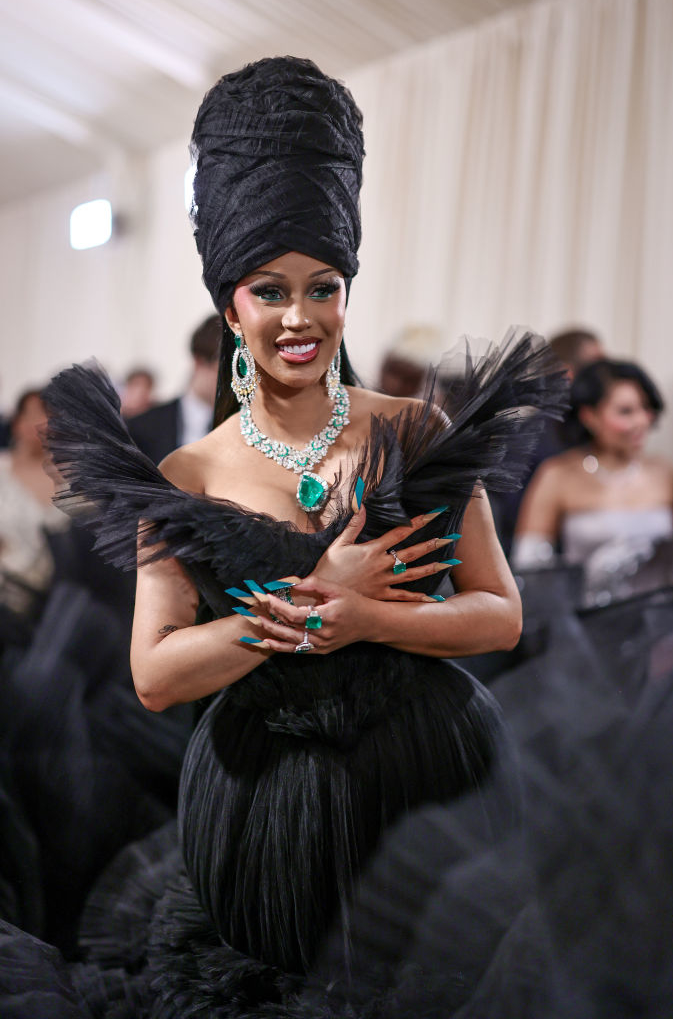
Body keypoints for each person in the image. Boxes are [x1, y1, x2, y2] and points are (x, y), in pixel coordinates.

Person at [0, 57, 566, 1015]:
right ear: (231, 308)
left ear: (347, 292)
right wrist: (308, 615)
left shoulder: (414, 429)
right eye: (270, 291)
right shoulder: (188, 474)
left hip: (430, 789)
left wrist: (362, 616)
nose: (300, 317)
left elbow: (499, 616)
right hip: (267, 808)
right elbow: (156, 672)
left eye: (324, 286)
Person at [513, 358, 673, 605]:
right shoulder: (558, 474)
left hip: (663, 623)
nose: (641, 421)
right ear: (589, 416)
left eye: (645, 408)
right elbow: (529, 565)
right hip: (588, 622)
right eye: (626, 411)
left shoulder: (664, 473)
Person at [491, 327, 606, 554]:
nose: (605, 378)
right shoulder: (532, 437)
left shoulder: (585, 431)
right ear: (567, 372)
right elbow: (513, 524)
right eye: (596, 368)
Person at [0, 388, 68, 628]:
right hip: (7, 596)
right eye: (33, 415)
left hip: (55, 603)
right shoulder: (3, 470)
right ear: (17, 422)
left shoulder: (72, 478)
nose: (41, 423)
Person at [126, 314, 221, 463]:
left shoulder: (250, 430)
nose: (234, 382)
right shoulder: (139, 429)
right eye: (225, 371)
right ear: (199, 363)